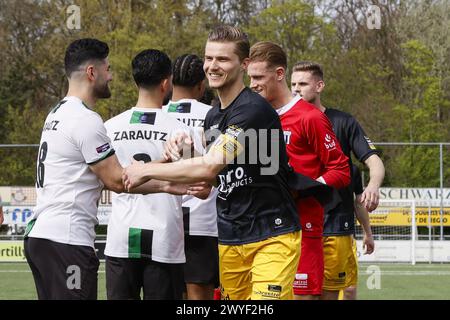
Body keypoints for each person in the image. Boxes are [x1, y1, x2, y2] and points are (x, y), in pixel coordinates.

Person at [123, 25, 302, 300]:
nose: (212, 66)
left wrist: (145, 170)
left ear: (243, 64)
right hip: (230, 237)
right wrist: (183, 154)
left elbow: (210, 165)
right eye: (209, 58)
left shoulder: (251, 110)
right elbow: (212, 178)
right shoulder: (214, 116)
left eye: (222, 59)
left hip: (272, 235)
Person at [24, 38, 186, 300]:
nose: (110, 76)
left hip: (41, 236)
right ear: (92, 72)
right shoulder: (86, 119)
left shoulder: (56, 113)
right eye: (107, 69)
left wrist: (163, 179)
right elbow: (118, 180)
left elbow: (117, 175)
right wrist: (167, 178)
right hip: (67, 240)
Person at [247, 41, 350, 300]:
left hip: (302, 225)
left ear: (279, 74)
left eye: (259, 77)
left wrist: (304, 188)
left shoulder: (309, 117)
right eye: (250, 77)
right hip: (257, 227)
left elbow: (341, 169)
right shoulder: (251, 116)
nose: (252, 84)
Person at [104, 49, 201, 300]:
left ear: (136, 80)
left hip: (120, 238)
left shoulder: (110, 127)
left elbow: (107, 180)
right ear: (166, 82)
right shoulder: (181, 131)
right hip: (164, 240)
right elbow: (198, 183)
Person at [290, 61, 384, 300]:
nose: (296, 89)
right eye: (293, 84)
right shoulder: (281, 120)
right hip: (297, 223)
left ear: (319, 86)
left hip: (335, 225)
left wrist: (372, 185)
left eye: (303, 83)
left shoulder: (343, 121)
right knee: (300, 295)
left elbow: (373, 161)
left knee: (333, 294)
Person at [162, 54, 219, 300]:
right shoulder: (214, 116)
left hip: (164, 220)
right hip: (203, 221)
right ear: (201, 85)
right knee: (200, 297)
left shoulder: (159, 115)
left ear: (171, 82)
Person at [342, 164, 375, 300]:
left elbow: (358, 202)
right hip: (312, 234)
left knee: (349, 289)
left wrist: (367, 233)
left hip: (345, 235)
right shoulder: (307, 161)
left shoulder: (352, 169)